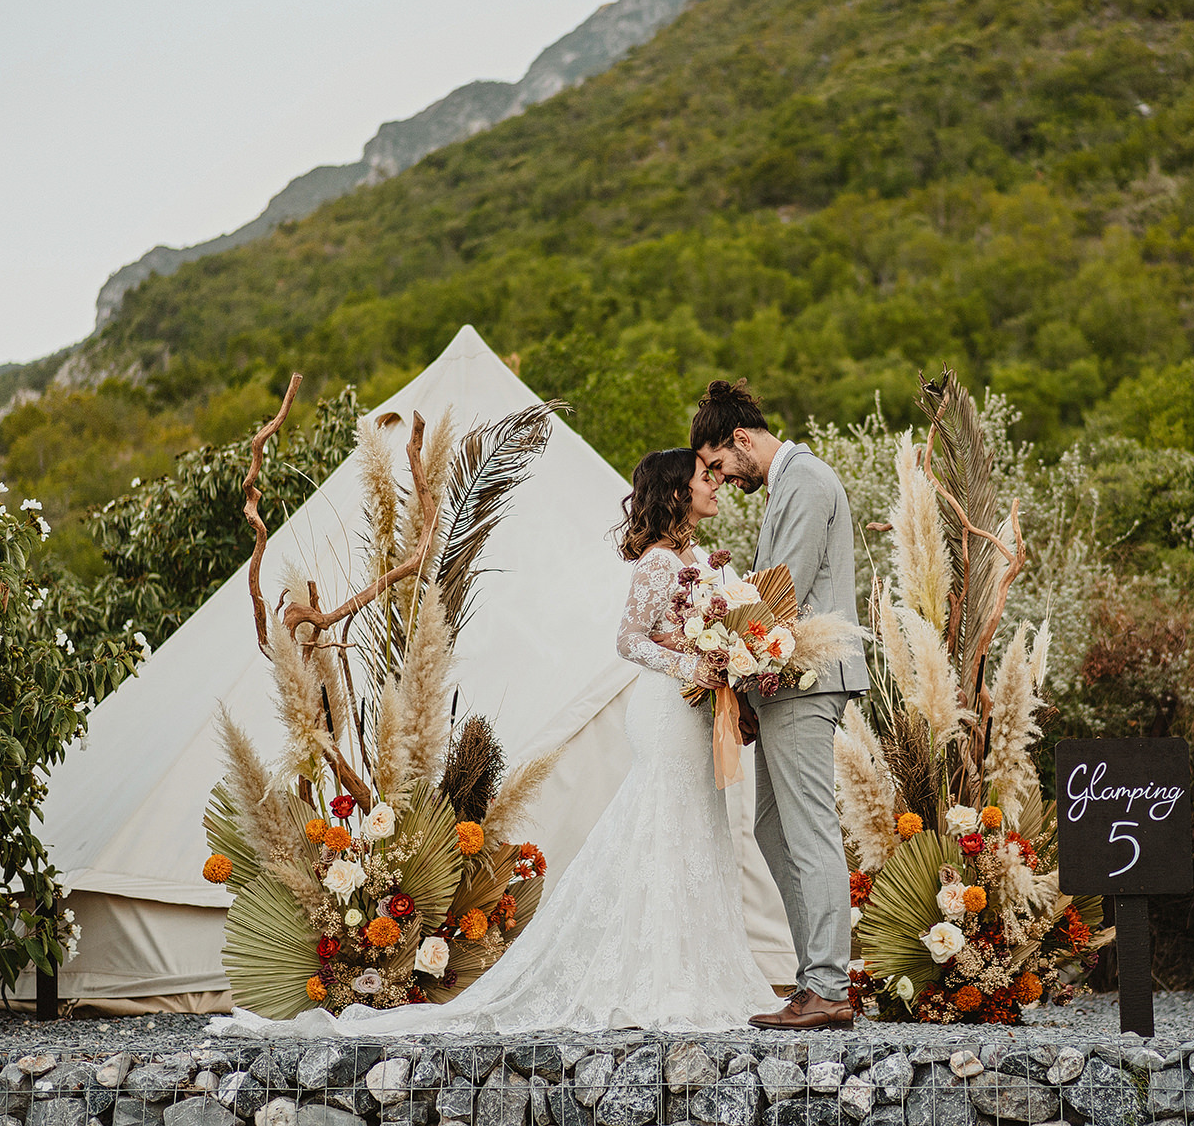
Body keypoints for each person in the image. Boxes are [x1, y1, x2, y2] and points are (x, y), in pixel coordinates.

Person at [209, 448, 777, 1036]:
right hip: (664, 710)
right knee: (663, 828)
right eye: (704, 476)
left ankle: (693, 969)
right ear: (677, 491)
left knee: (694, 827)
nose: (716, 483)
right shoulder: (660, 562)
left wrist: (725, 658)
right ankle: (663, 979)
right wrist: (697, 665)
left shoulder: (696, 559)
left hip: (692, 711)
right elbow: (630, 641)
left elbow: (686, 630)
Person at [692, 379, 869, 1031]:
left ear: (741, 440)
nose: (720, 480)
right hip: (778, 685)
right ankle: (814, 978)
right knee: (772, 829)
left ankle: (825, 988)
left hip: (806, 679)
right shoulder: (788, 485)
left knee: (809, 827)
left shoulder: (807, 481)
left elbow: (779, 593)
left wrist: (729, 668)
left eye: (717, 465)